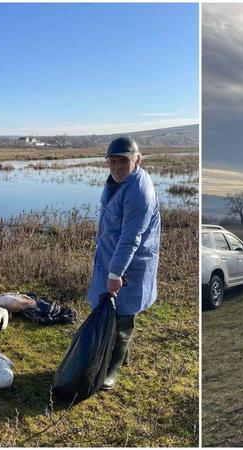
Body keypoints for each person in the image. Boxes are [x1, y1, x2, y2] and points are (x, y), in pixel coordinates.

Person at [87, 136, 161, 390]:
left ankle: (114, 367)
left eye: (124, 161)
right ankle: (118, 354)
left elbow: (131, 237)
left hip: (131, 264)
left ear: (137, 160)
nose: (117, 166)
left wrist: (116, 272)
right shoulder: (115, 183)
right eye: (113, 161)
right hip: (111, 257)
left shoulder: (139, 191)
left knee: (124, 315)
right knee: (108, 311)